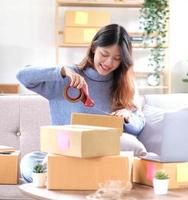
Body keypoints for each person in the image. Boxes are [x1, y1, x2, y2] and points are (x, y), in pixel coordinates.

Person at [16, 24, 146, 183]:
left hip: (103, 158)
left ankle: (70, 179)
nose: (109, 62)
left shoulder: (125, 84)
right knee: (29, 162)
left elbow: (139, 123)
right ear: (94, 48)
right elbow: (22, 75)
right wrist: (61, 72)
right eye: (104, 54)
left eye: (117, 58)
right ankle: (75, 178)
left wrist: (128, 115)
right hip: (64, 154)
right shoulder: (68, 76)